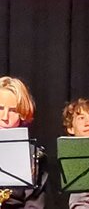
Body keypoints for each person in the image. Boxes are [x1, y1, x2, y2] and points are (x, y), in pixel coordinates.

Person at [0, 76, 47, 208]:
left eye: (13, 110)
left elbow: (34, 204)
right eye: (0, 108)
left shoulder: (35, 155)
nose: (5, 117)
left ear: (23, 113)